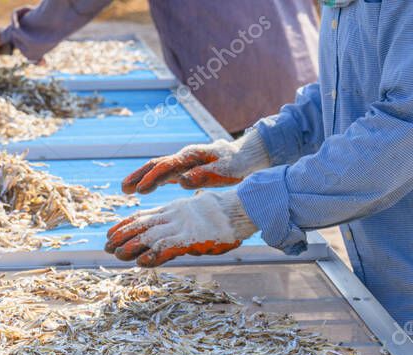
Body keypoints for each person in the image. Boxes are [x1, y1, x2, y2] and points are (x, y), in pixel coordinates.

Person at [104, 2, 413, 331]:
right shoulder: (346, 8)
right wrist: (253, 150)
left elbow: (400, 134)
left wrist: (243, 209)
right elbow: (345, 93)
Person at [0, 0, 320, 135]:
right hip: (311, 77)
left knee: (242, 207)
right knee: (288, 215)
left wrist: (17, 37)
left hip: (235, 87)